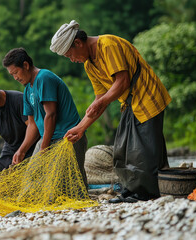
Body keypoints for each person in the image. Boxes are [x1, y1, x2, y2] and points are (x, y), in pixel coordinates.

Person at [50, 20, 171, 202]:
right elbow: (100, 100)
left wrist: (103, 100)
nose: (72, 60)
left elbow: (122, 82)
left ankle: (144, 194)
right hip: (130, 104)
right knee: (122, 151)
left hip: (147, 96)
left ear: (78, 43)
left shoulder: (107, 45)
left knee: (142, 151)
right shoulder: (89, 65)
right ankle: (132, 192)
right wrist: (81, 127)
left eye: (70, 55)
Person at [2, 48, 88, 186]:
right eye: (12, 75)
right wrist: (21, 151)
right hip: (47, 139)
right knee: (32, 180)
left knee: (69, 184)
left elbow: (51, 114)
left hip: (67, 137)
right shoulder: (27, 90)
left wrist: (44, 149)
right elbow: (32, 124)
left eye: (16, 72)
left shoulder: (44, 78)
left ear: (26, 65)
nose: (15, 77)